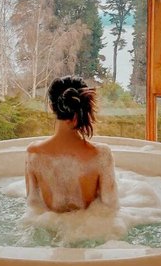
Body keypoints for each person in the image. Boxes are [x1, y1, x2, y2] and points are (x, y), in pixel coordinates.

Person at [25, 76, 118, 213]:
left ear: (51, 107)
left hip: (48, 224)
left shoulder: (34, 152)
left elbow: (32, 205)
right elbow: (110, 208)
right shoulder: (101, 154)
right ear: (84, 106)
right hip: (90, 225)